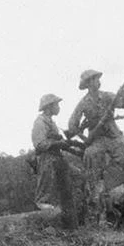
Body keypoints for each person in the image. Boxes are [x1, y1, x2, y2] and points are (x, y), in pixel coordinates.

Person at [67, 69, 124, 226]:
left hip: (113, 135)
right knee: (90, 156)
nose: (98, 81)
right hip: (97, 139)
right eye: (95, 79)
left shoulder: (108, 96)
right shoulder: (84, 103)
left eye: (98, 78)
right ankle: (97, 210)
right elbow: (72, 125)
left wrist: (122, 95)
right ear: (89, 83)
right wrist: (84, 137)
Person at [31, 94, 83, 227]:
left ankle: (71, 222)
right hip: (47, 158)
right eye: (56, 104)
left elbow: (59, 143)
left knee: (74, 181)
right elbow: (40, 145)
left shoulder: (51, 122)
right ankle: (45, 220)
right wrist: (59, 144)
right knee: (44, 195)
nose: (58, 107)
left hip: (57, 157)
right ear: (49, 107)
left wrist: (75, 149)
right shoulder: (40, 122)